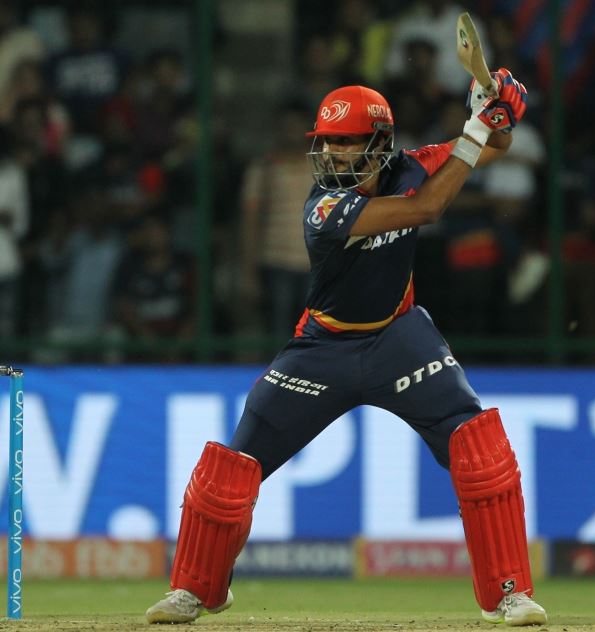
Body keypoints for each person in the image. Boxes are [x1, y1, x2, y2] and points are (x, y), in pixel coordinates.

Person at [146, 69, 548, 627]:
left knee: (480, 450)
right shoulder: (323, 209)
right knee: (233, 466)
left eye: (347, 141)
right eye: (328, 141)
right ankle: (195, 589)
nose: (333, 153)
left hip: (401, 340)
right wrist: (476, 129)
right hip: (323, 349)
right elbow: (425, 210)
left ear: (381, 143)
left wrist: (492, 112)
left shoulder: (412, 165)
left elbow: (496, 147)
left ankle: (509, 593)